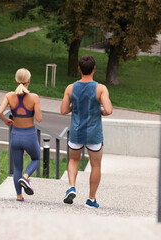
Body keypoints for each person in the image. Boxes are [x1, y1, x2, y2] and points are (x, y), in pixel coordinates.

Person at [60, 55, 113, 208]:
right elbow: (108, 110)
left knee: (73, 160)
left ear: (79, 69)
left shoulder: (70, 88)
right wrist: (100, 111)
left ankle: (71, 187)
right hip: (94, 134)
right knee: (95, 165)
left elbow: (63, 110)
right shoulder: (100, 88)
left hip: (77, 132)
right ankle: (90, 199)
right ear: (94, 69)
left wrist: (73, 107)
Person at [0, 68, 42, 201]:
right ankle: (26, 177)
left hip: (15, 135)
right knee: (36, 158)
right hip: (29, 135)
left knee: (17, 167)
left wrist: (6, 121)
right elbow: (39, 118)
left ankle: (19, 196)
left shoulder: (9, 96)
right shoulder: (34, 97)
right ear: (29, 80)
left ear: (16, 80)